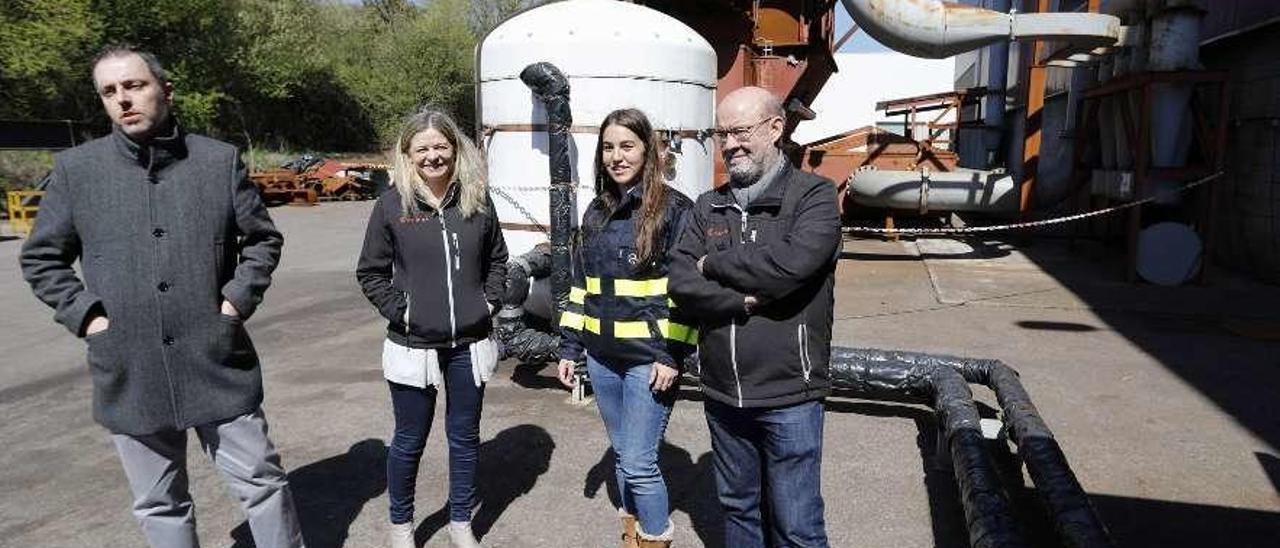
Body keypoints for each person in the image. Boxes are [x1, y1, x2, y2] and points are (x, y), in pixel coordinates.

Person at [19, 46, 304, 548]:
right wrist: (89, 319)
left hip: (215, 359)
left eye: (134, 86)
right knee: (159, 504)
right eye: (109, 92)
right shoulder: (76, 171)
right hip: (130, 369)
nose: (123, 100)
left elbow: (262, 239)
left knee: (262, 483)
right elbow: (41, 258)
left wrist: (236, 301)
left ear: (165, 91)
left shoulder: (217, 162)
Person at [668, 86, 842, 548]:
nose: (730, 144)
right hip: (723, 394)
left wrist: (715, 264)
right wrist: (740, 299)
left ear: (775, 128)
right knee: (740, 513)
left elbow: (790, 268)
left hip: (790, 393)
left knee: (797, 526)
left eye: (740, 131)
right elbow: (681, 283)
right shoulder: (708, 205)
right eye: (722, 133)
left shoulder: (815, 198)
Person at [356, 108, 508, 548]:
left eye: (441, 146)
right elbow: (370, 272)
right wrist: (401, 311)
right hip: (413, 344)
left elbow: (498, 260)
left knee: (464, 438)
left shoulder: (477, 200)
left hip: (470, 341)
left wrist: (488, 301)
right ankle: (401, 526)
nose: (433, 156)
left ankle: (461, 522)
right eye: (422, 148)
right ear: (408, 154)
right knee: (409, 440)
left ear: (455, 149)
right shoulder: (391, 206)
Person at [556, 108, 697, 548]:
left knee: (637, 461)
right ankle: (631, 532)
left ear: (648, 150)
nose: (616, 156)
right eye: (608, 147)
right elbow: (583, 288)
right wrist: (569, 347)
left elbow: (689, 294)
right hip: (602, 359)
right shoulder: (596, 212)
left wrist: (672, 355)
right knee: (622, 453)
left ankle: (655, 538)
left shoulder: (675, 210)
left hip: (649, 363)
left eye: (627, 146)